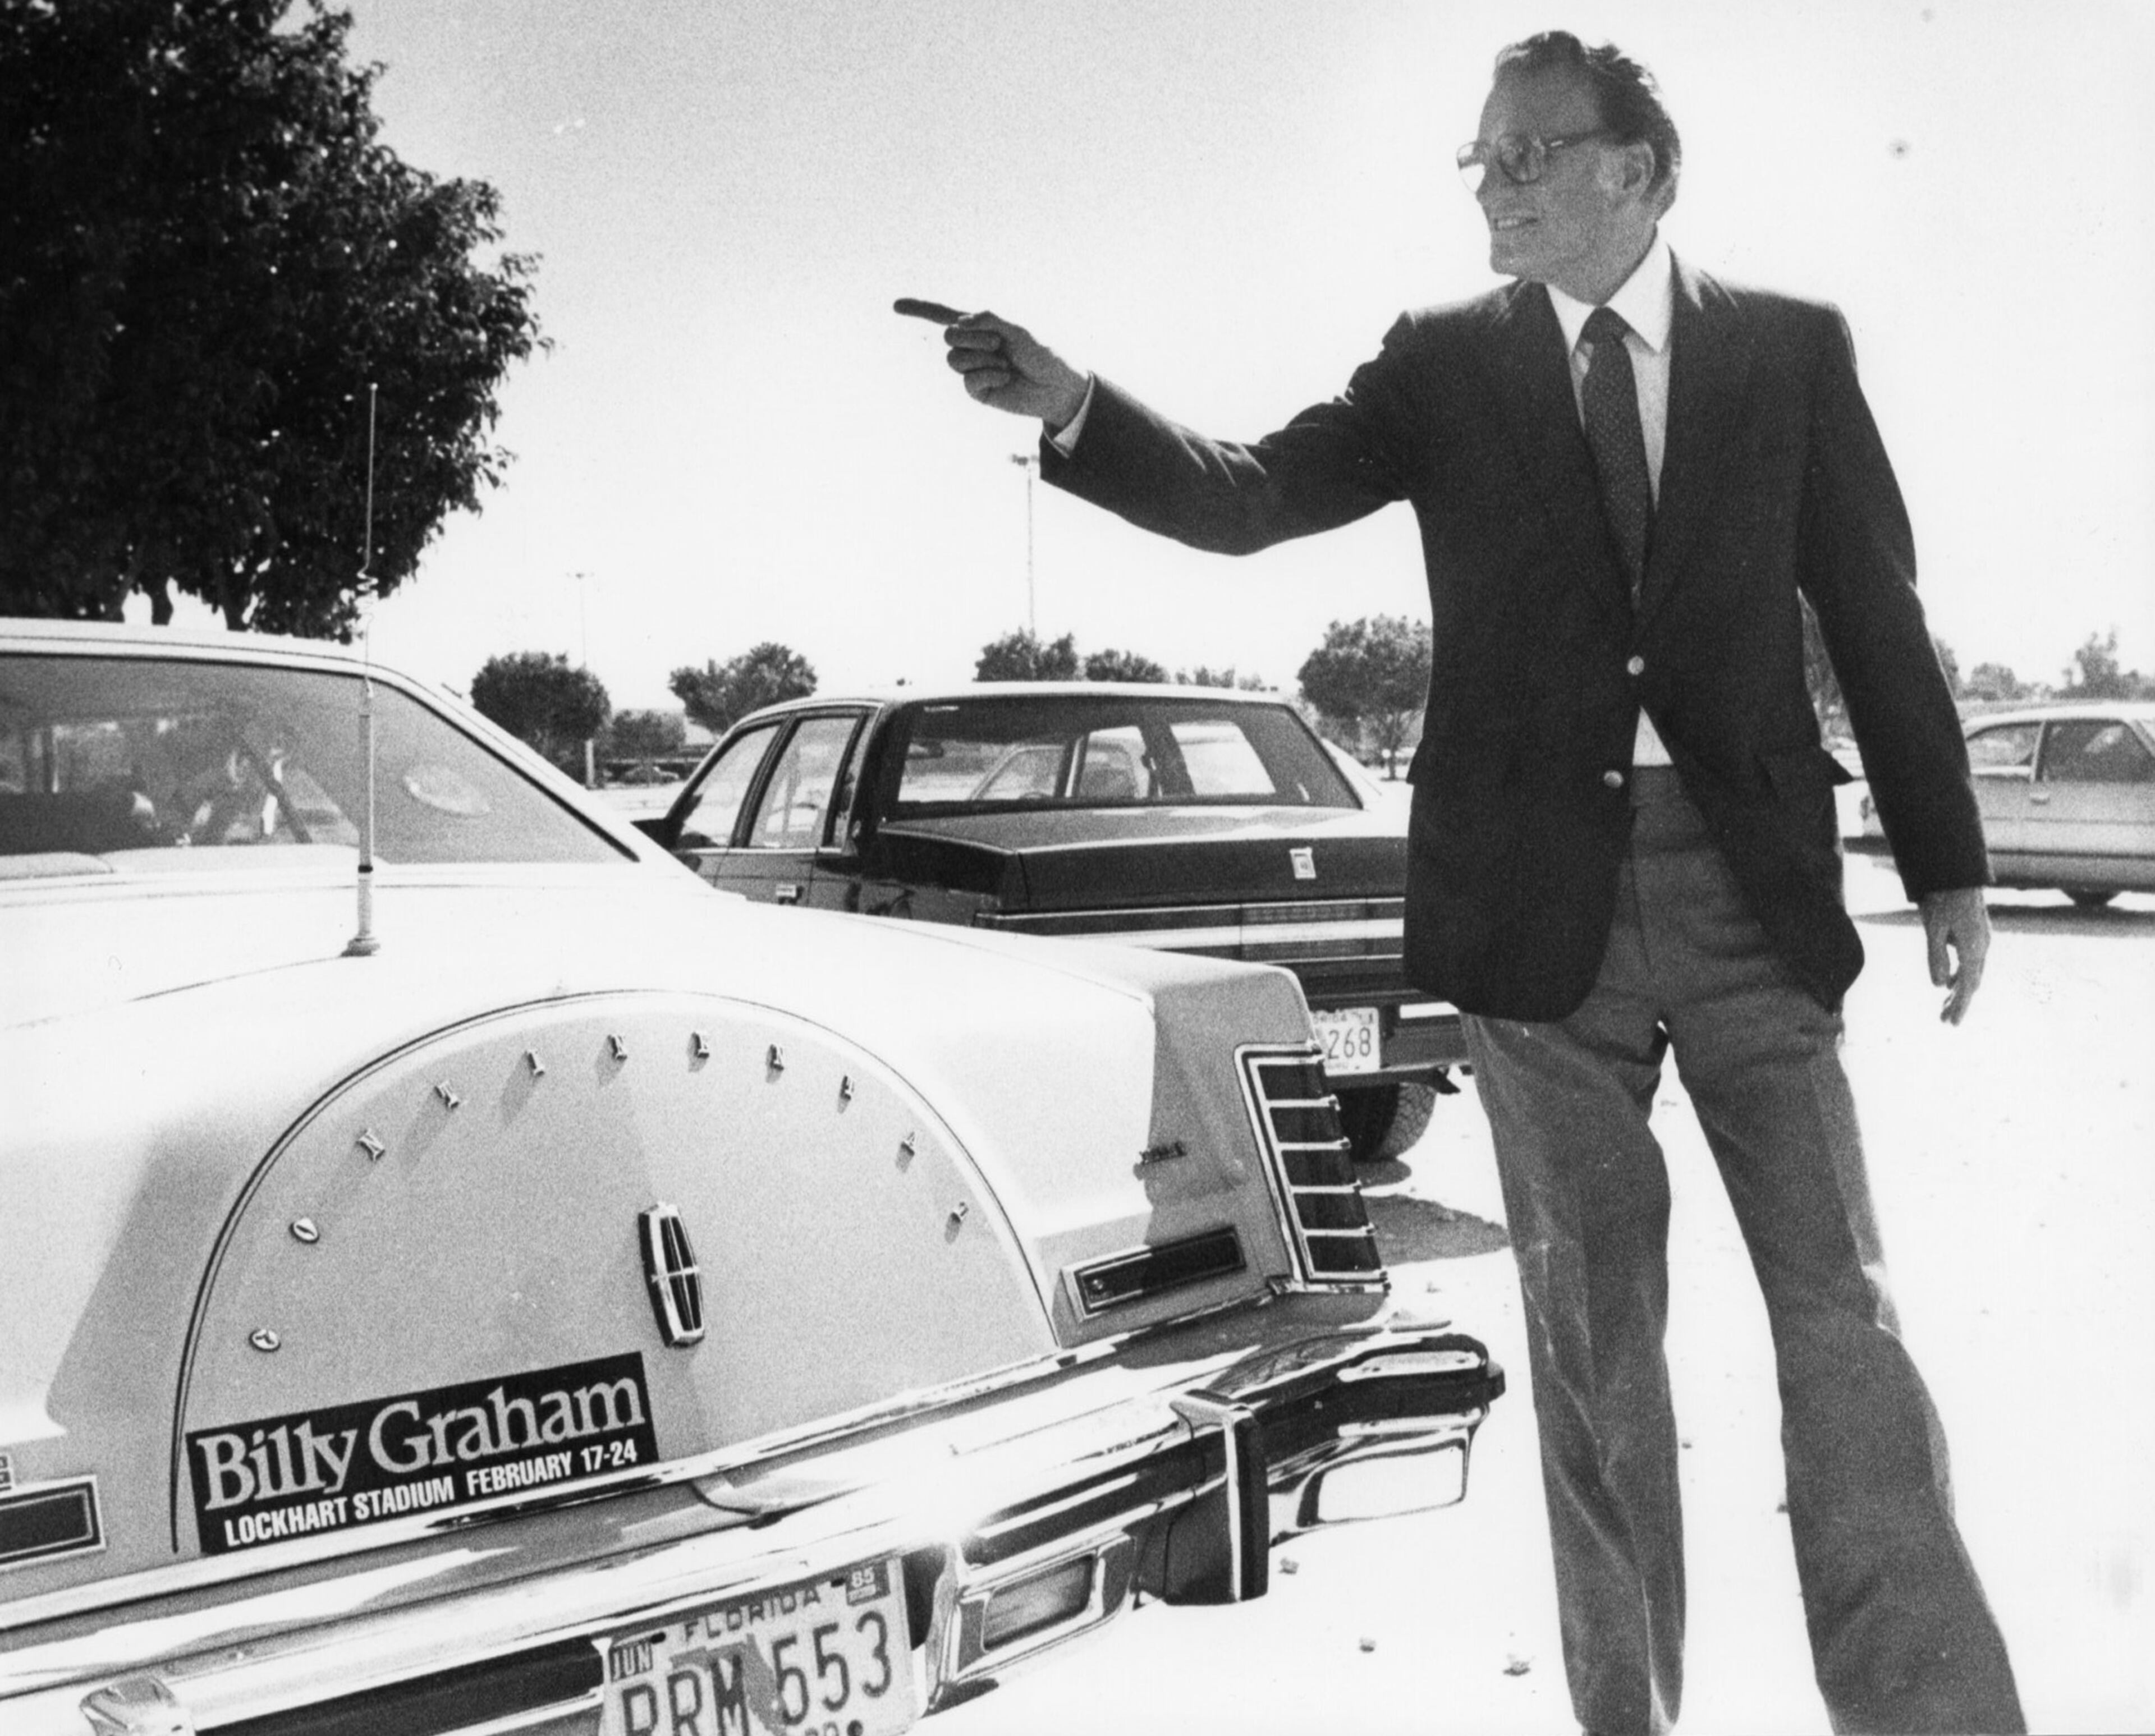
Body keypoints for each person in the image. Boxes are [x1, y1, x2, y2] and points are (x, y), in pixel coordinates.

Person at [921, 27, 2023, 1736]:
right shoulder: (1442, 364)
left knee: (1848, 1328)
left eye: (1525, 154)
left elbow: (1875, 612)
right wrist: (1077, 408)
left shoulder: (1791, 351)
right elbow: (1254, 494)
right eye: (1479, 160)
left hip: (1751, 904)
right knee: (1596, 1357)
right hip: (1535, 933)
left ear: (1638, 173)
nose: (1491, 185)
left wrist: (1947, 858)